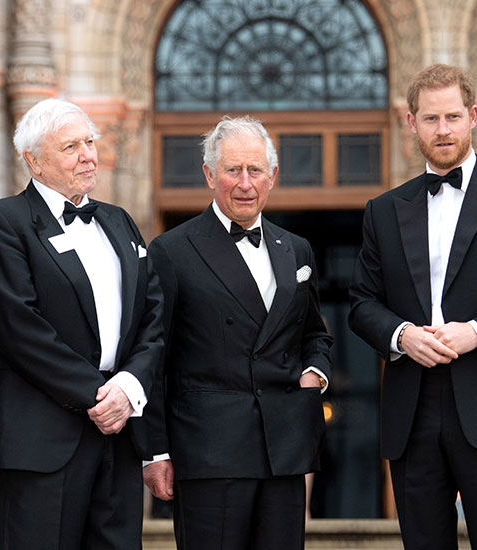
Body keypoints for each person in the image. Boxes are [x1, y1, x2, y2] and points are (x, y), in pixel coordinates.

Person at [0, 98, 163, 549]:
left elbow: (154, 313)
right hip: (40, 439)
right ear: (33, 161)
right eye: (71, 146)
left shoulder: (119, 221)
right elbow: (19, 325)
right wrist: (97, 395)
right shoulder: (5, 221)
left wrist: (128, 390)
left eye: (90, 142)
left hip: (117, 435)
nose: (88, 155)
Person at [349, 64, 477, 549]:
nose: (442, 130)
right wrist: (402, 335)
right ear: (410, 122)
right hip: (413, 412)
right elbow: (362, 304)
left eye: (451, 117)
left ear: (473, 116)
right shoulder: (382, 210)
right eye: (430, 119)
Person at [143, 115, 332, 550]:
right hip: (209, 452)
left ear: (273, 176)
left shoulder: (295, 249)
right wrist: (155, 451)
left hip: (284, 449)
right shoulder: (171, 251)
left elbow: (314, 335)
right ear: (210, 175)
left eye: (255, 170)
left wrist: (314, 375)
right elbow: (154, 355)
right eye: (232, 170)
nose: (244, 183)